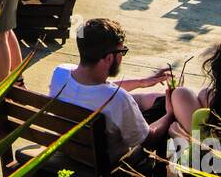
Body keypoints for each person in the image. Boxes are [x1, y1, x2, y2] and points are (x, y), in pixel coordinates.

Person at [46, 18, 174, 162]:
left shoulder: (60, 73)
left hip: (69, 151)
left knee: (141, 100)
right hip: (109, 168)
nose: (121, 57)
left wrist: (141, 82)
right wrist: (170, 114)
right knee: (161, 107)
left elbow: (94, 90)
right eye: (122, 51)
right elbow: (149, 139)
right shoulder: (119, 99)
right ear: (108, 58)